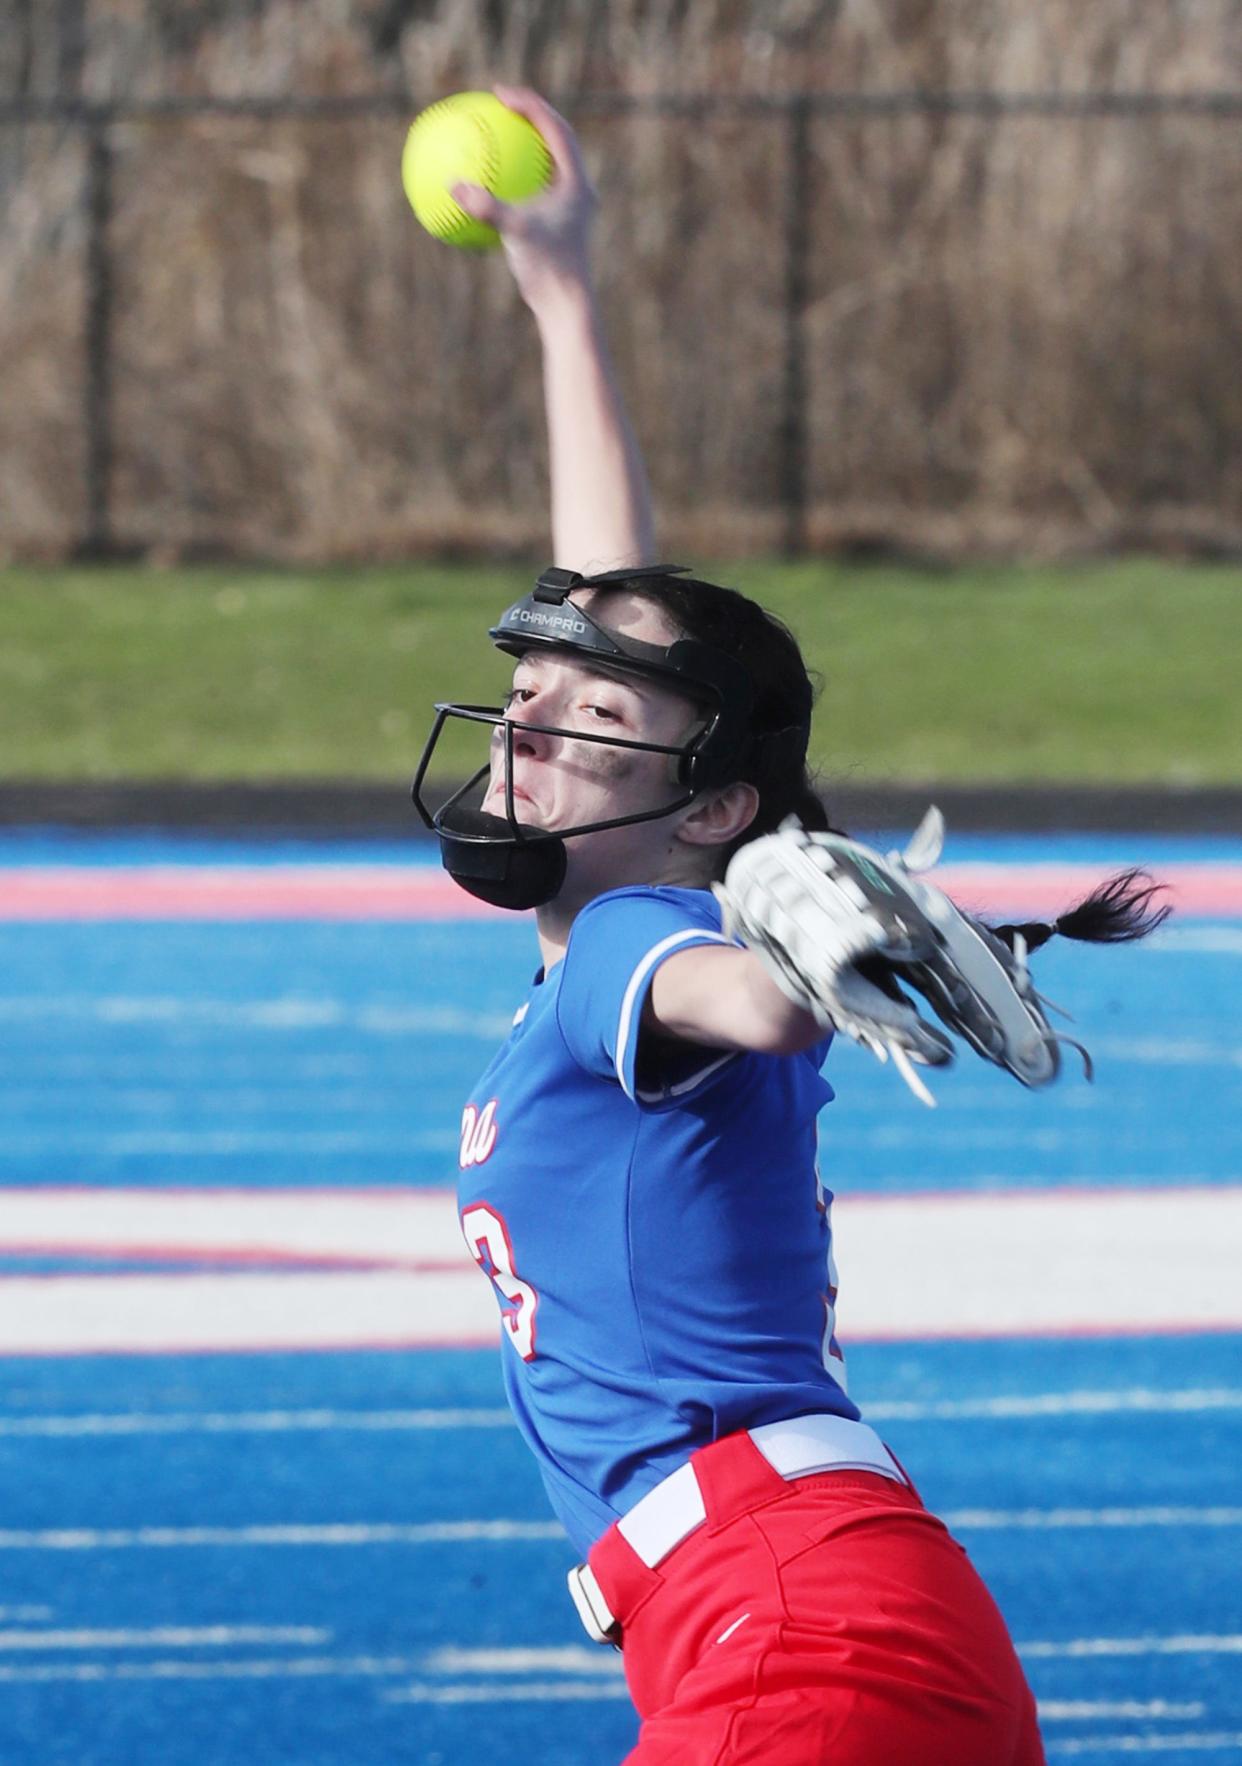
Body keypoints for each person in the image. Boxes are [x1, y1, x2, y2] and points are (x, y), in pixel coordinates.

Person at [412, 88, 1168, 1766]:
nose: (525, 718)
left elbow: (739, 998)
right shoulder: (625, 904)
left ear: (712, 809)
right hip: (811, 1608)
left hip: (789, 1623)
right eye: (523, 689)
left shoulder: (630, 952)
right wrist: (564, 300)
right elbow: (629, 636)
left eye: (574, 710)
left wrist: (803, 964)